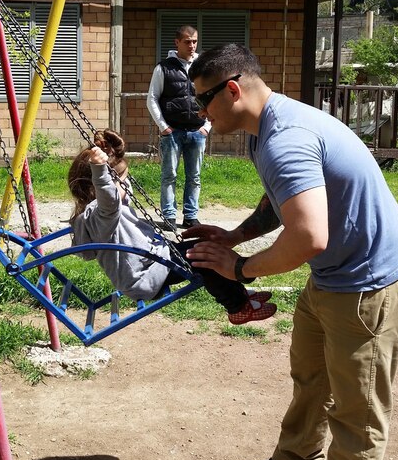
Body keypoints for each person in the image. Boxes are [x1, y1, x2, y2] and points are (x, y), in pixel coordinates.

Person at [183, 44, 398, 460]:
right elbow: (283, 201)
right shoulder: (266, 130)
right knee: (311, 381)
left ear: (232, 89)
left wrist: (238, 267)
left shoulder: (284, 140)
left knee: (358, 413)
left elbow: (310, 236)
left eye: (203, 99)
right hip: (334, 278)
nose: (202, 113)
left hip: (372, 287)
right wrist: (236, 235)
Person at [68, 129, 276, 325]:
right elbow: (109, 198)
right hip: (145, 275)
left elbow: (114, 194)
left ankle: (241, 292)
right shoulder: (101, 214)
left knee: (206, 245)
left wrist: (111, 159)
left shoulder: (105, 211)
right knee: (207, 259)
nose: (127, 187)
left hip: (155, 260)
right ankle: (238, 307)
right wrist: (99, 170)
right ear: (98, 186)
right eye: (122, 182)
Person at [146, 25, 209, 231]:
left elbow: (212, 98)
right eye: (187, 41)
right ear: (177, 43)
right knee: (169, 175)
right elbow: (152, 98)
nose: (192, 45)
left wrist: (207, 127)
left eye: (195, 41)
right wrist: (163, 126)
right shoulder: (164, 68)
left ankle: (191, 217)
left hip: (197, 132)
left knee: (195, 176)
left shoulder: (204, 67)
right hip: (172, 132)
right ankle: (169, 217)